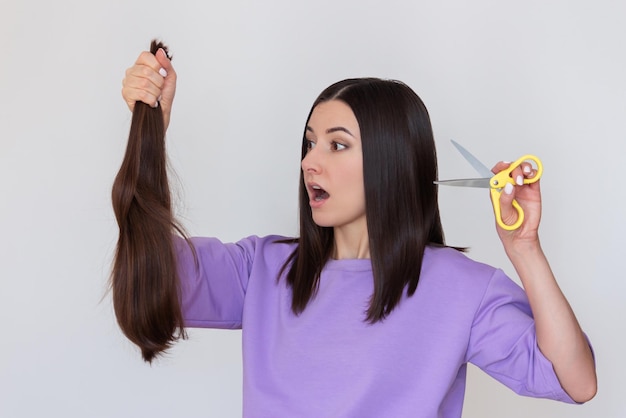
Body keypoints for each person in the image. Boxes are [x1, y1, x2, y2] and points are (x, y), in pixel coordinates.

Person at [116, 46, 596, 417]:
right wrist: (150, 136)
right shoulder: (260, 269)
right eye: (309, 144)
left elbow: (575, 381)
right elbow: (146, 277)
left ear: (391, 162)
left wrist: (525, 249)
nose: (310, 162)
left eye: (337, 145)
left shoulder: (462, 288)